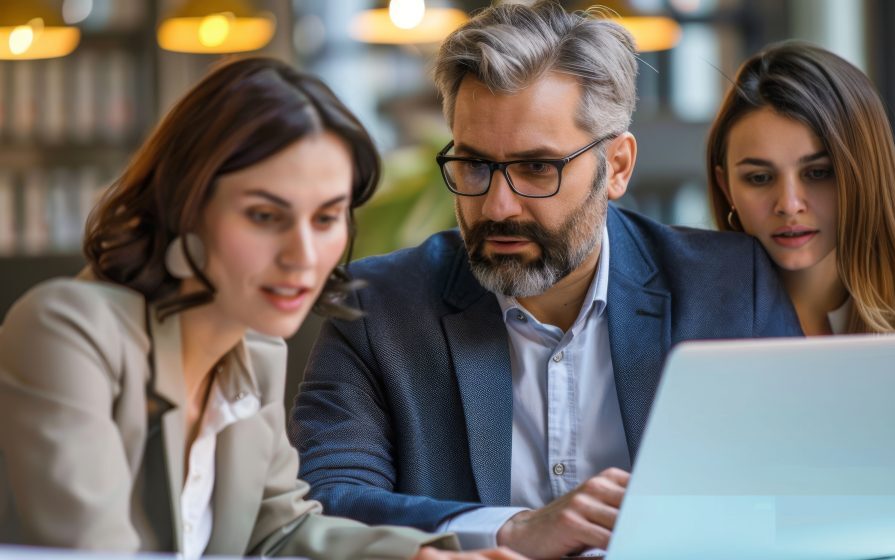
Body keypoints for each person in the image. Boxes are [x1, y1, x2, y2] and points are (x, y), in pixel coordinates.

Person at [288, 2, 802, 558]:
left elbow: (800, 490)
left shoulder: (729, 287)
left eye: (539, 167)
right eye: (475, 164)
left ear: (618, 167)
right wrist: (513, 529)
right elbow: (326, 502)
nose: (498, 205)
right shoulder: (379, 308)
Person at [0, 57, 522, 560]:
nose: (302, 256)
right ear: (185, 206)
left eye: (325, 219)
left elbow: (280, 533)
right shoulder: (67, 330)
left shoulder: (255, 351)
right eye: (265, 215)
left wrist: (420, 557)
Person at [706, 41, 895, 442]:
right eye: (759, 178)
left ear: (865, 175)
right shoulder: (691, 310)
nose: (789, 205)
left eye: (818, 173)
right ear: (726, 187)